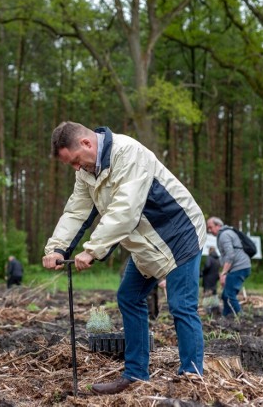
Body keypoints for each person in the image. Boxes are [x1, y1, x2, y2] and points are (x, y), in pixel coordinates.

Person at [42, 122, 206, 395]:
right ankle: (136, 374)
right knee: (129, 297)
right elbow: (77, 211)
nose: (76, 168)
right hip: (145, 244)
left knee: (181, 306)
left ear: (86, 143)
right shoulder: (86, 171)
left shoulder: (128, 153)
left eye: (75, 161)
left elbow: (125, 211)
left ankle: (192, 379)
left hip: (179, 236)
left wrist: (92, 250)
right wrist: (58, 248)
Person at [206, 217, 252, 317]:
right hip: (238, 267)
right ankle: (225, 316)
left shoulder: (224, 235)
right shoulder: (225, 233)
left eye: (211, 227)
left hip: (239, 267)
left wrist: (224, 273)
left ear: (218, 225)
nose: (209, 230)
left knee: (229, 295)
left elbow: (230, 255)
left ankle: (241, 317)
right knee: (225, 295)